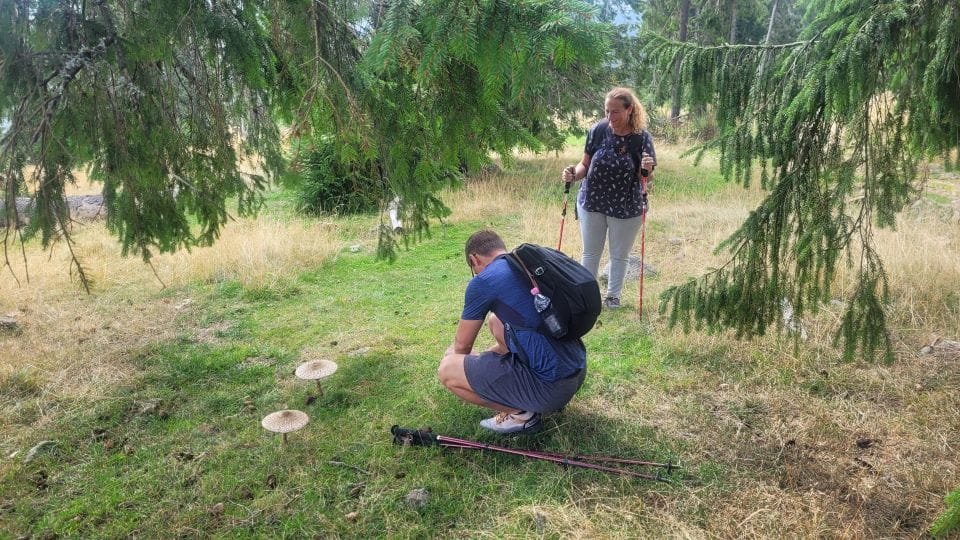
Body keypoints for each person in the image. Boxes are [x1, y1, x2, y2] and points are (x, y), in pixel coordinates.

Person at [437, 230, 587, 434]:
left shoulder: (484, 281)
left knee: (448, 369)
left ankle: (522, 415)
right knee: (496, 321)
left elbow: (462, 346)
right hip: (577, 372)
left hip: (551, 390)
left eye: (474, 269)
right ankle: (521, 385)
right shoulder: (526, 264)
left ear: (474, 259)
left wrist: (457, 360)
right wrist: (480, 360)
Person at [562, 87, 657, 309]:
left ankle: (613, 296)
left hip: (626, 206)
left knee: (619, 255)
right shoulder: (598, 130)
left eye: (615, 112)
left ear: (629, 109)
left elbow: (646, 177)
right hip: (592, 201)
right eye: (606, 111)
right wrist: (573, 175)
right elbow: (585, 164)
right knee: (590, 252)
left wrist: (647, 168)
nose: (610, 116)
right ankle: (587, 297)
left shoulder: (641, 138)